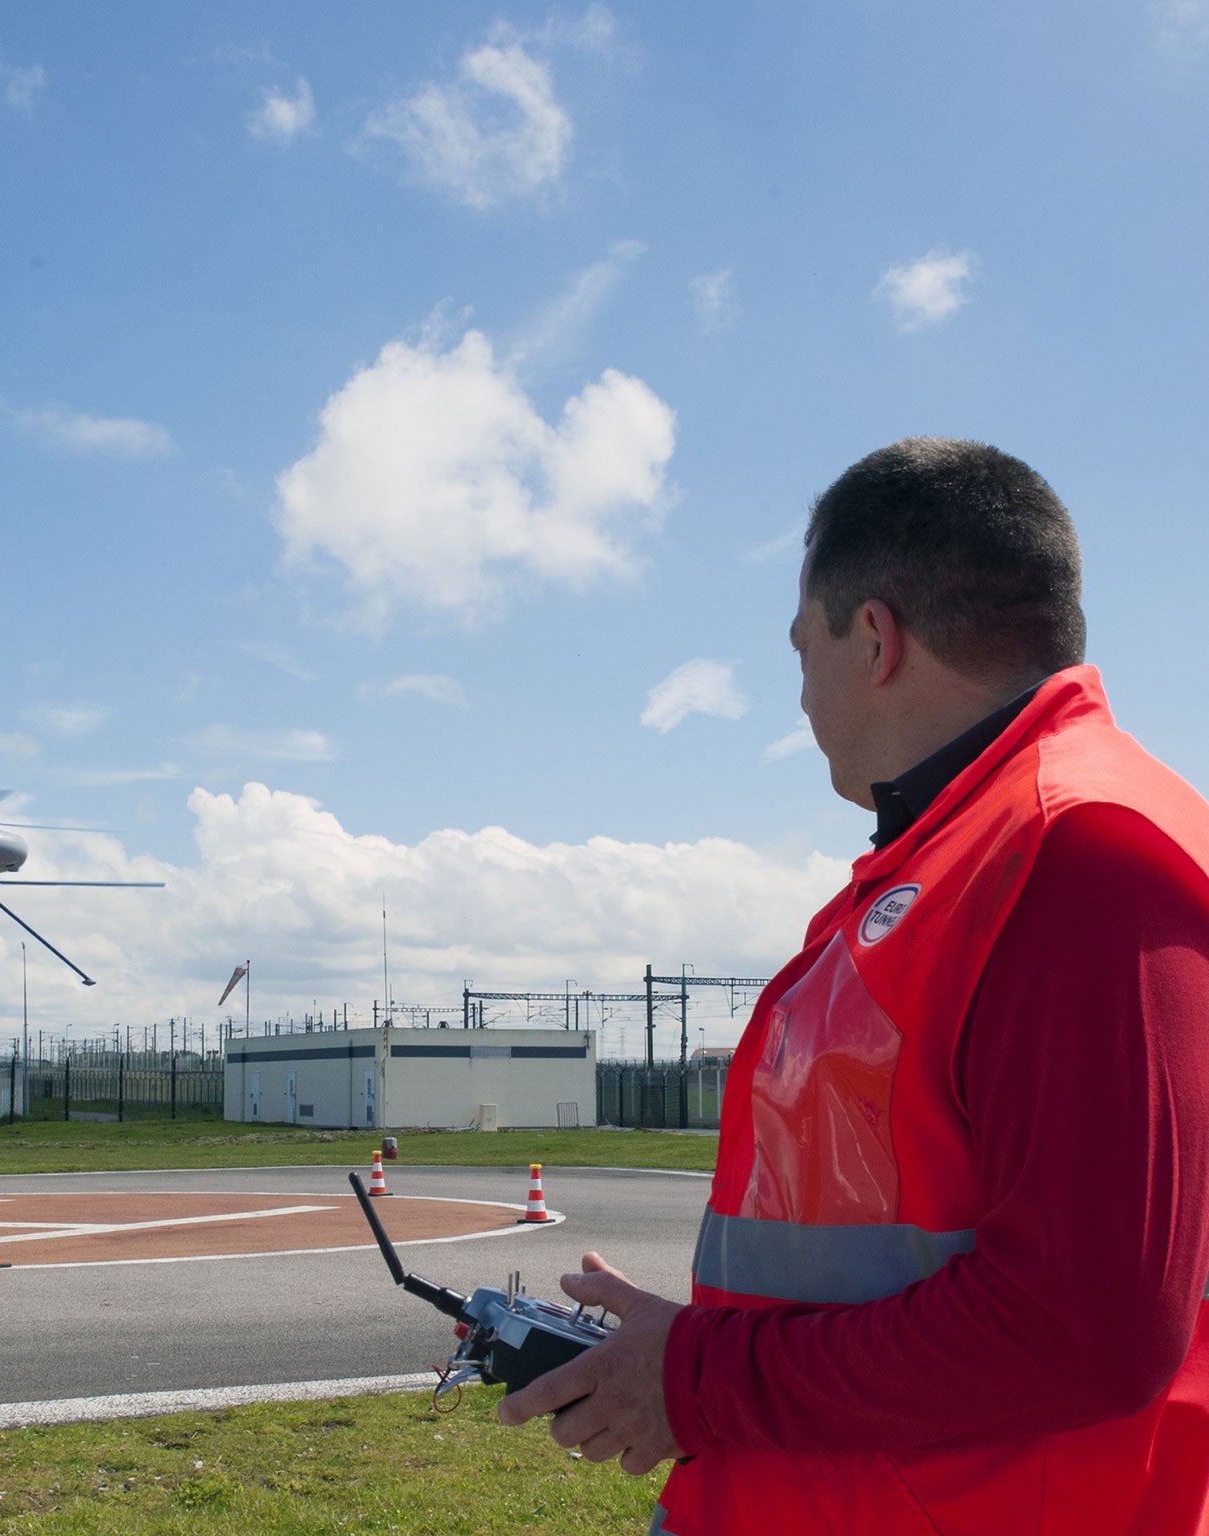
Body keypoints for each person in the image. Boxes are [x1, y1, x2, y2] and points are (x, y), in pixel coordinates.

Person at [499, 438, 1209, 1535]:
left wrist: (697, 1379)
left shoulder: (1073, 852)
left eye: (801, 650)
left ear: (873, 639)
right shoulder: (965, 858)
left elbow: (1081, 1331)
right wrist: (689, 1357)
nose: (798, 698)